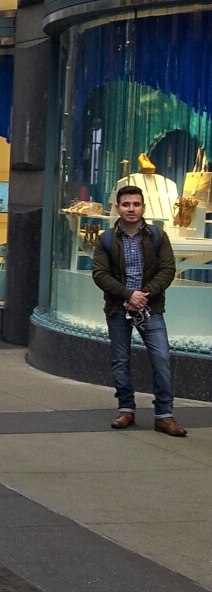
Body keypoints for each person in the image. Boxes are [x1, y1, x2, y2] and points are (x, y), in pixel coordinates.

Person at [92, 185, 185, 435]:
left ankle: (164, 416)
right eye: (126, 204)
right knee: (120, 361)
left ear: (143, 208)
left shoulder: (157, 236)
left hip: (150, 308)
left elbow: (167, 269)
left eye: (136, 204)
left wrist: (144, 296)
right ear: (117, 208)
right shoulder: (106, 239)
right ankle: (126, 410)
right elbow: (100, 274)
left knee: (161, 358)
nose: (131, 209)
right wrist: (128, 295)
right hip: (118, 308)